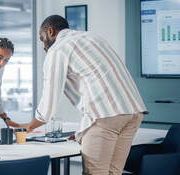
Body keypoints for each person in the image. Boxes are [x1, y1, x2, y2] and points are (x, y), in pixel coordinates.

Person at [19, 15, 147, 175]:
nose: (43, 45)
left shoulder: (57, 49)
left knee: (96, 172)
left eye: (42, 39)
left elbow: (49, 102)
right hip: (133, 111)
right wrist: (86, 130)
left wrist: (29, 127)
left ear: (50, 31)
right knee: (113, 172)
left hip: (106, 115)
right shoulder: (91, 37)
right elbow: (99, 81)